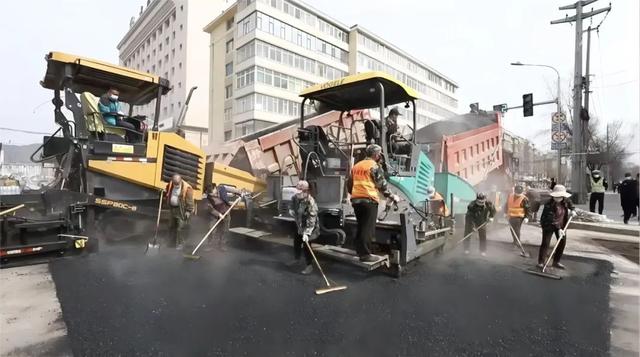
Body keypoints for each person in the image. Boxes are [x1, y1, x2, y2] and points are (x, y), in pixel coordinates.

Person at [349, 144, 400, 262]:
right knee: (368, 228)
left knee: (361, 226)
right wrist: (392, 196)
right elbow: (382, 185)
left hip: (356, 200)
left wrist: (354, 194)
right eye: (379, 154)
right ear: (376, 155)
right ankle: (365, 255)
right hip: (369, 200)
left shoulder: (357, 165)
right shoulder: (374, 166)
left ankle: (360, 251)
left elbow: (349, 184)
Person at [538, 185, 576, 269]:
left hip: (562, 224)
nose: (558, 198)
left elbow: (570, 204)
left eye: (560, 197)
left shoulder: (565, 200)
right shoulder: (549, 205)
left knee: (562, 242)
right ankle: (541, 262)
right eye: (556, 197)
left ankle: (556, 261)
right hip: (548, 224)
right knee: (545, 243)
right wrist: (558, 229)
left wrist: (573, 210)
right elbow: (551, 218)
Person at [288, 180, 320, 275]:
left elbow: (312, 219)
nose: (297, 194)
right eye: (296, 191)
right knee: (296, 241)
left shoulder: (311, 203)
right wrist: (291, 210)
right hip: (300, 224)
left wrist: (307, 233)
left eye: (299, 192)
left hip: (311, 227)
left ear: (305, 191)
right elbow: (292, 205)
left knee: (307, 245)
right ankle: (296, 259)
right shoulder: (295, 197)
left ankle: (309, 265)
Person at [205, 183, 242, 251]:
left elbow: (234, 190)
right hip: (215, 213)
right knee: (211, 229)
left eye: (212, 193)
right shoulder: (208, 197)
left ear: (215, 188)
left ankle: (222, 245)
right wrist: (219, 214)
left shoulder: (222, 188)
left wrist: (240, 193)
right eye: (210, 194)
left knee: (225, 230)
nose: (211, 195)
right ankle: (210, 245)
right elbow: (210, 208)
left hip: (226, 211)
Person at [165, 174, 194, 250]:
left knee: (180, 228)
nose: (176, 185)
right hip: (172, 209)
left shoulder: (187, 188)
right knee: (171, 226)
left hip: (181, 210)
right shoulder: (170, 184)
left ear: (180, 180)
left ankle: (181, 244)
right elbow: (168, 191)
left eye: (177, 184)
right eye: (175, 183)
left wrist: (188, 211)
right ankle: (171, 243)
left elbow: (190, 201)